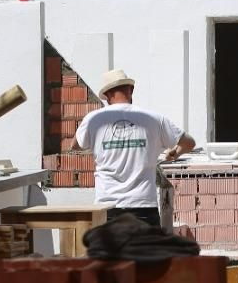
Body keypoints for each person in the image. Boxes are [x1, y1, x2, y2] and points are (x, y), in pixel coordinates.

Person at [74, 68, 196, 227]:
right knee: (144, 252)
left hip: (107, 207)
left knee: (110, 253)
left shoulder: (94, 119)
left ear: (107, 96)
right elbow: (189, 143)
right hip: (143, 206)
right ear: (130, 90)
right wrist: (176, 152)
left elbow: (76, 145)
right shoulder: (153, 118)